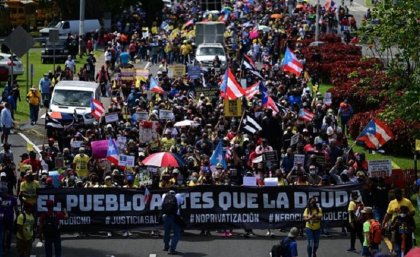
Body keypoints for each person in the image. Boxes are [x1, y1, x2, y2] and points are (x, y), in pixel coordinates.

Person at [161, 189, 184, 255]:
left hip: (166, 216)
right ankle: (172, 249)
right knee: (176, 234)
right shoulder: (178, 196)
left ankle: (166, 247)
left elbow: (162, 205)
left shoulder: (164, 195)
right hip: (175, 217)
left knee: (166, 232)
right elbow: (182, 202)